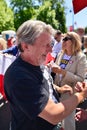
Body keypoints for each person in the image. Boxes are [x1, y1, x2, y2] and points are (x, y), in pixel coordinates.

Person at [4, 20, 87, 130]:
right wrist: (82, 95)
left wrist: (59, 89)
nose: (51, 49)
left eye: (51, 44)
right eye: (45, 45)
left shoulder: (37, 62)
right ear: (25, 46)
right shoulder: (19, 76)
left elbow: (45, 85)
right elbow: (53, 114)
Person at [51, 31, 87, 130]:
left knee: (68, 124)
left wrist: (63, 72)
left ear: (73, 41)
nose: (63, 41)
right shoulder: (60, 54)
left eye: (66, 39)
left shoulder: (81, 57)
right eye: (63, 39)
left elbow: (80, 79)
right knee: (57, 123)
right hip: (57, 91)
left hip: (70, 94)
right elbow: (57, 71)